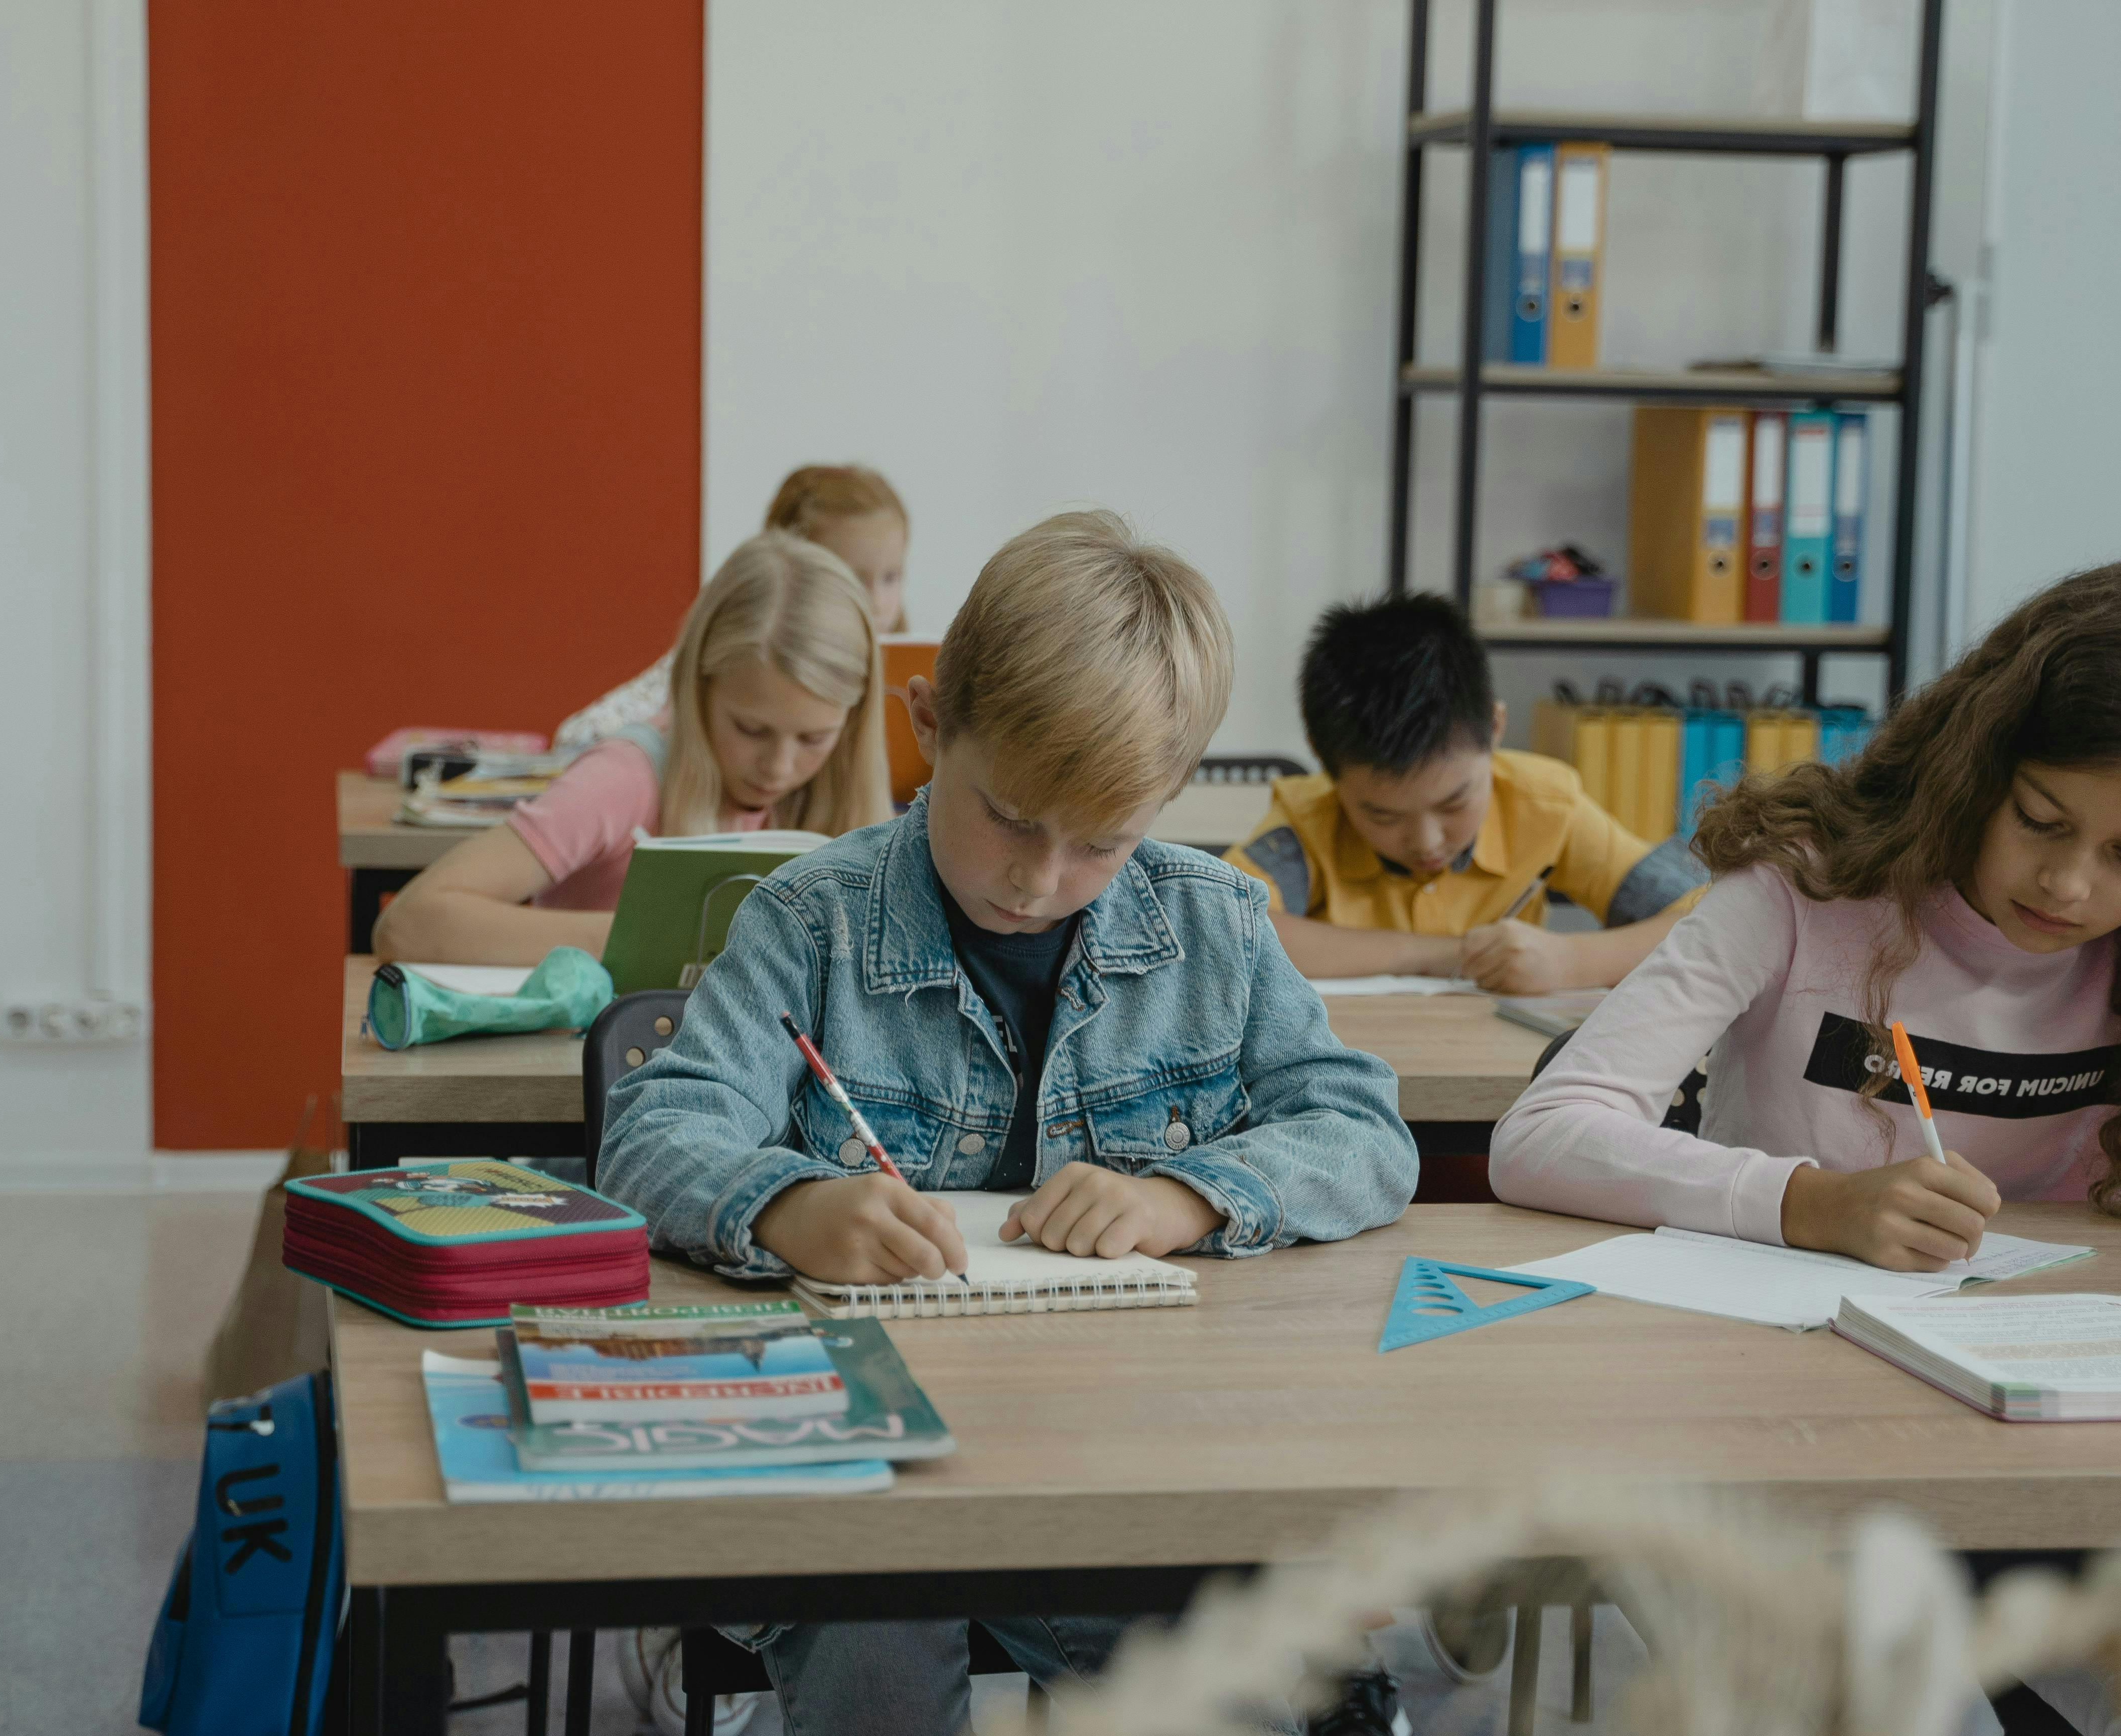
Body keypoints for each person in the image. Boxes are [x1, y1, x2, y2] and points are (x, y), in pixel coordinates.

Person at [598, 510, 1416, 1735]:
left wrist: (1185, 1191)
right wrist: (791, 1204)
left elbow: (1360, 1124)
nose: (1037, 876)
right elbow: (656, 1127)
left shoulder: (1215, 924)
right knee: (875, 1650)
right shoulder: (807, 920)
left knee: (1201, 1672)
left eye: (1101, 840)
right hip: (858, 1472)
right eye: (1009, 815)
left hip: (1119, 1457)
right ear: (927, 725)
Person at [1492, 559, 2121, 1305]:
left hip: (2066, 1350)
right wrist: (1811, 1203)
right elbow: (1542, 1137)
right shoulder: (1804, 894)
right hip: (1783, 1347)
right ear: (1976, 768)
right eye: (2041, 822)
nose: (2068, 882)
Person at [372, 532, 890, 965]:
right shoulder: (625, 778)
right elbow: (409, 924)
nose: (779, 767)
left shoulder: (835, 789)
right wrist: (649, 942)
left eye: (813, 739)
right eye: (750, 730)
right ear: (698, 687)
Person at [1223, 594, 1704, 993]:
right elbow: (1224, 931)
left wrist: (1572, 961)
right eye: (1382, 816)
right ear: (1327, 766)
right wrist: (1440, 955)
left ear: (1495, 727)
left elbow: (1703, 919)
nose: (1428, 841)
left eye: (1454, 804)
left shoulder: (1544, 805)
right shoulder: (1310, 820)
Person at [556, 463, 910, 749]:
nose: (877, 603)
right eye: (850, 579)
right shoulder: (744, 644)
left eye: (891, 578)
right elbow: (579, 737)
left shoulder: (912, 663)